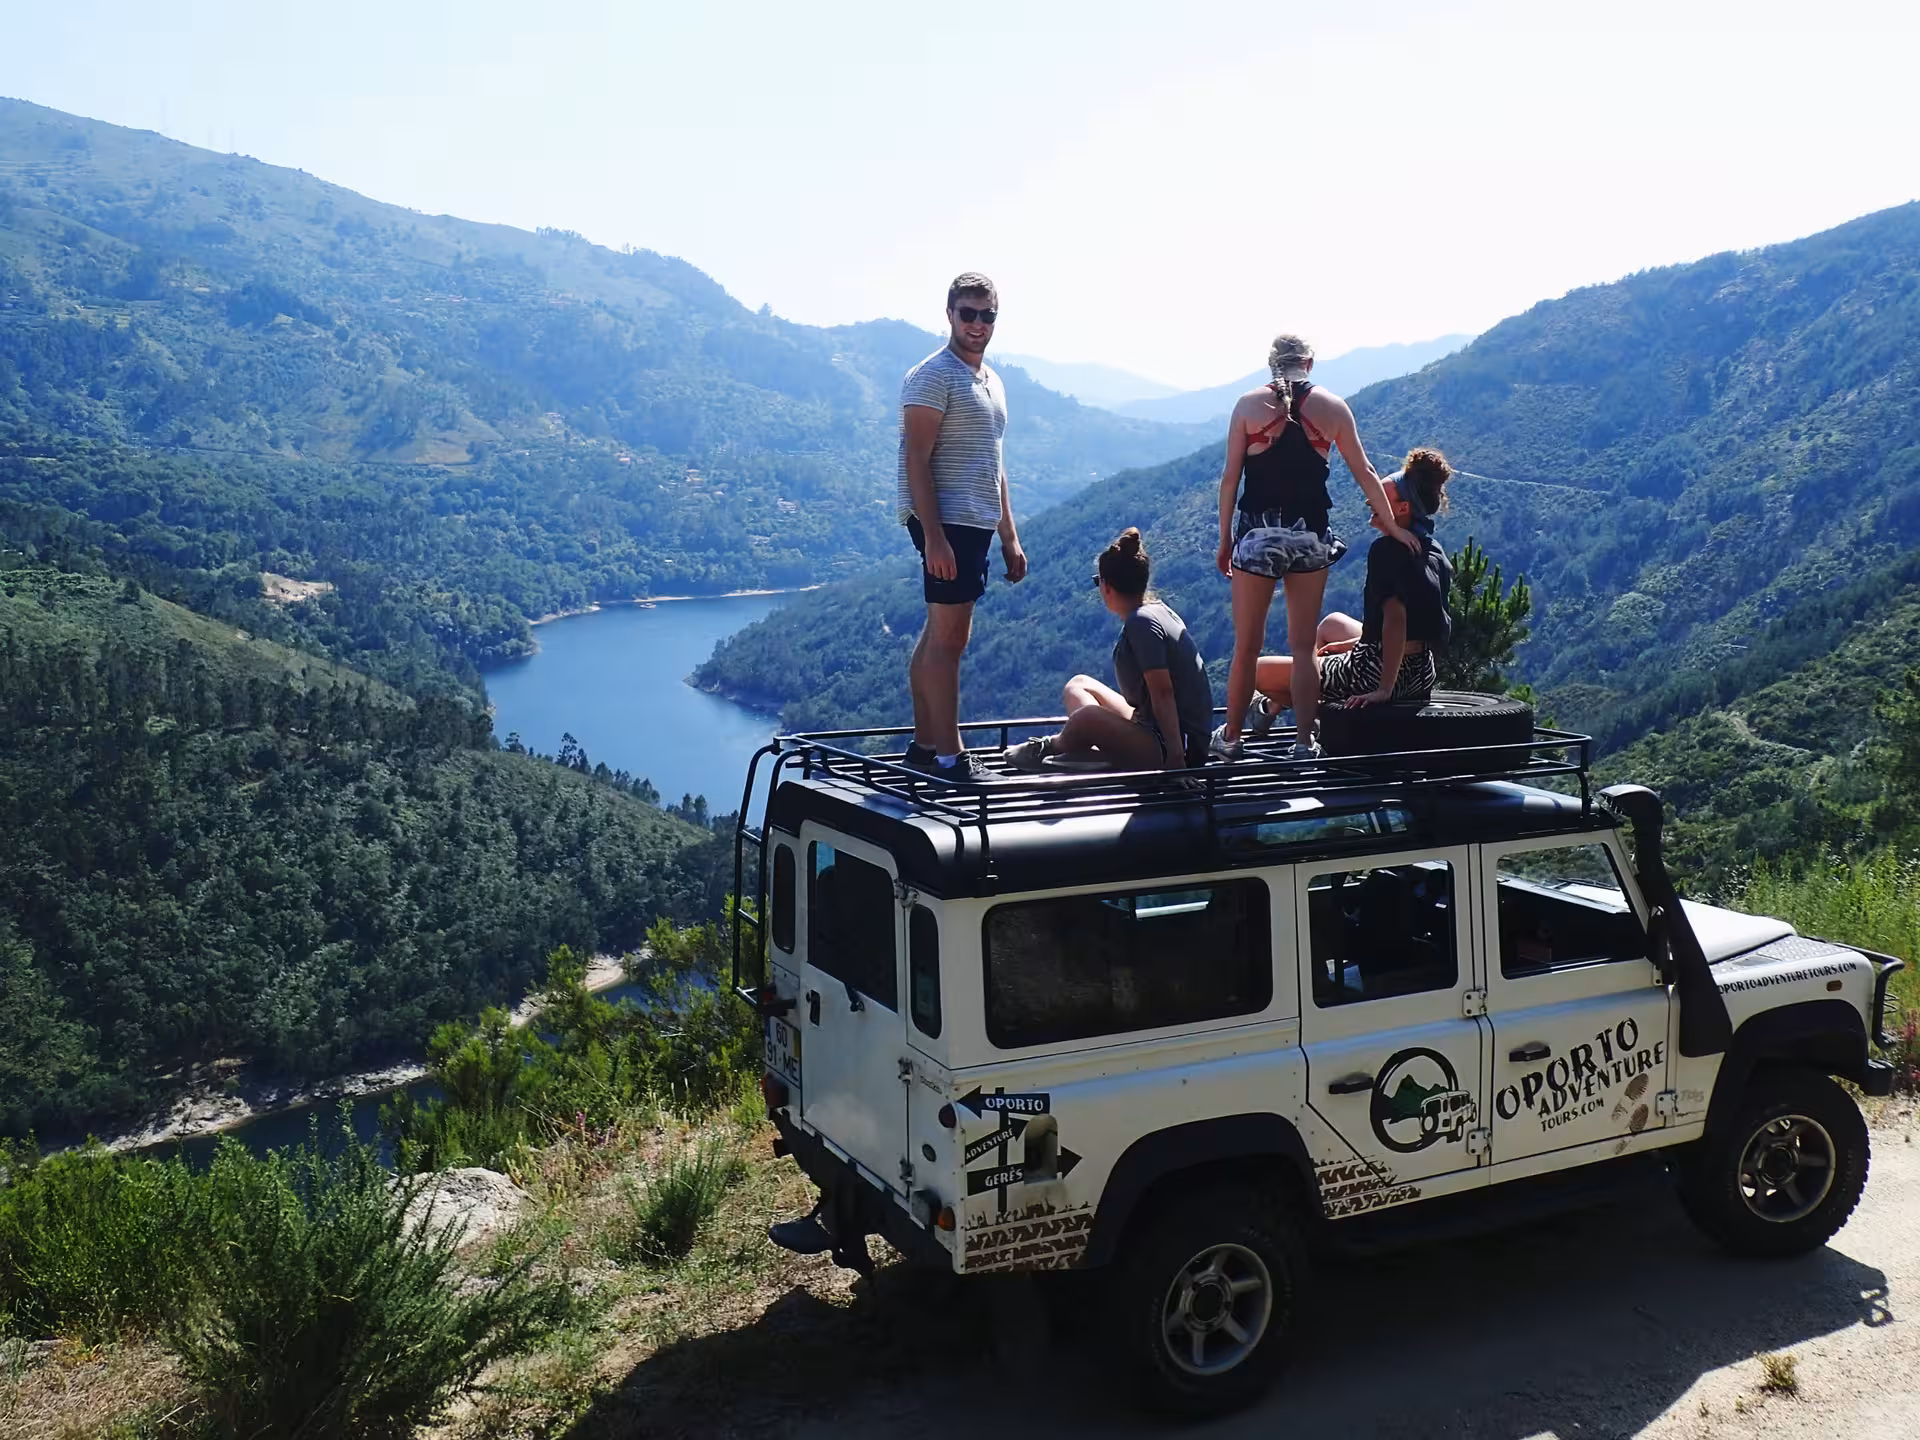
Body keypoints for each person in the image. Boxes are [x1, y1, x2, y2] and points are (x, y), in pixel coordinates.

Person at [1212, 334, 1418, 761]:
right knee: (1303, 646)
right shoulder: (1333, 408)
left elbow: (1231, 478)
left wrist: (1225, 538)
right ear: (1309, 362)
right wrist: (1396, 531)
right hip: (1311, 537)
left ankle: (1231, 740)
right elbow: (1363, 470)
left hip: (1258, 534)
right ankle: (1305, 743)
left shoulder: (1248, 406)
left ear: (1272, 363)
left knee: (1246, 646)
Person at [897, 273, 1029, 781]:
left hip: (974, 521)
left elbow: (994, 463)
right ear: (949, 314)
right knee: (951, 641)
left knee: (938, 635)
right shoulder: (932, 376)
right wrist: (933, 537)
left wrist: (1009, 535)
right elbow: (916, 460)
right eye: (967, 314)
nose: (977, 324)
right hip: (945, 521)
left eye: (986, 314)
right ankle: (952, 759)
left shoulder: (991, 380)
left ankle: (925, 746)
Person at [1245, 447, 1455, 726]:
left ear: (1402, 508)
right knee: (1332, 624)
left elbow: (1396, 620)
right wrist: (1356, 643)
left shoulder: (1387, 551)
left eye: (1381, 498)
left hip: (1375, 671)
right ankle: (1294, 698)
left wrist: (1383, 689)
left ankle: (1285, 705)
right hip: (1421, 670)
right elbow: (1416, 622)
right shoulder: (1432, 550)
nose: (1371, 501)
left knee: (1255, 671)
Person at [1004, 528, 1211, 772]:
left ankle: (1051, 747)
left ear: (1107, 586)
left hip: (1173, 746)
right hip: (1161, 730)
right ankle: (1094, 754)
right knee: (1078, 685)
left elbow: (1163, 693)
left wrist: (1176, 761)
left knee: (1087, 717)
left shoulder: (1141, 624)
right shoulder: (1157, 610)